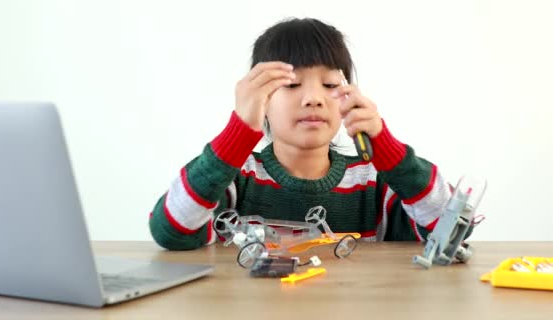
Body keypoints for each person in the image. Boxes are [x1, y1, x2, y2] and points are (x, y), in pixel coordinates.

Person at [149, 17, 451, 250]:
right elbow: (171, 231)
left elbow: (448, 229)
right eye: (292, 85)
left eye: (330, 85)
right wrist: (237, 134)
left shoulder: (374, 182)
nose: (313, 98)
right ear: (262, 100)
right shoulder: (237, 179)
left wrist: (386, 147)